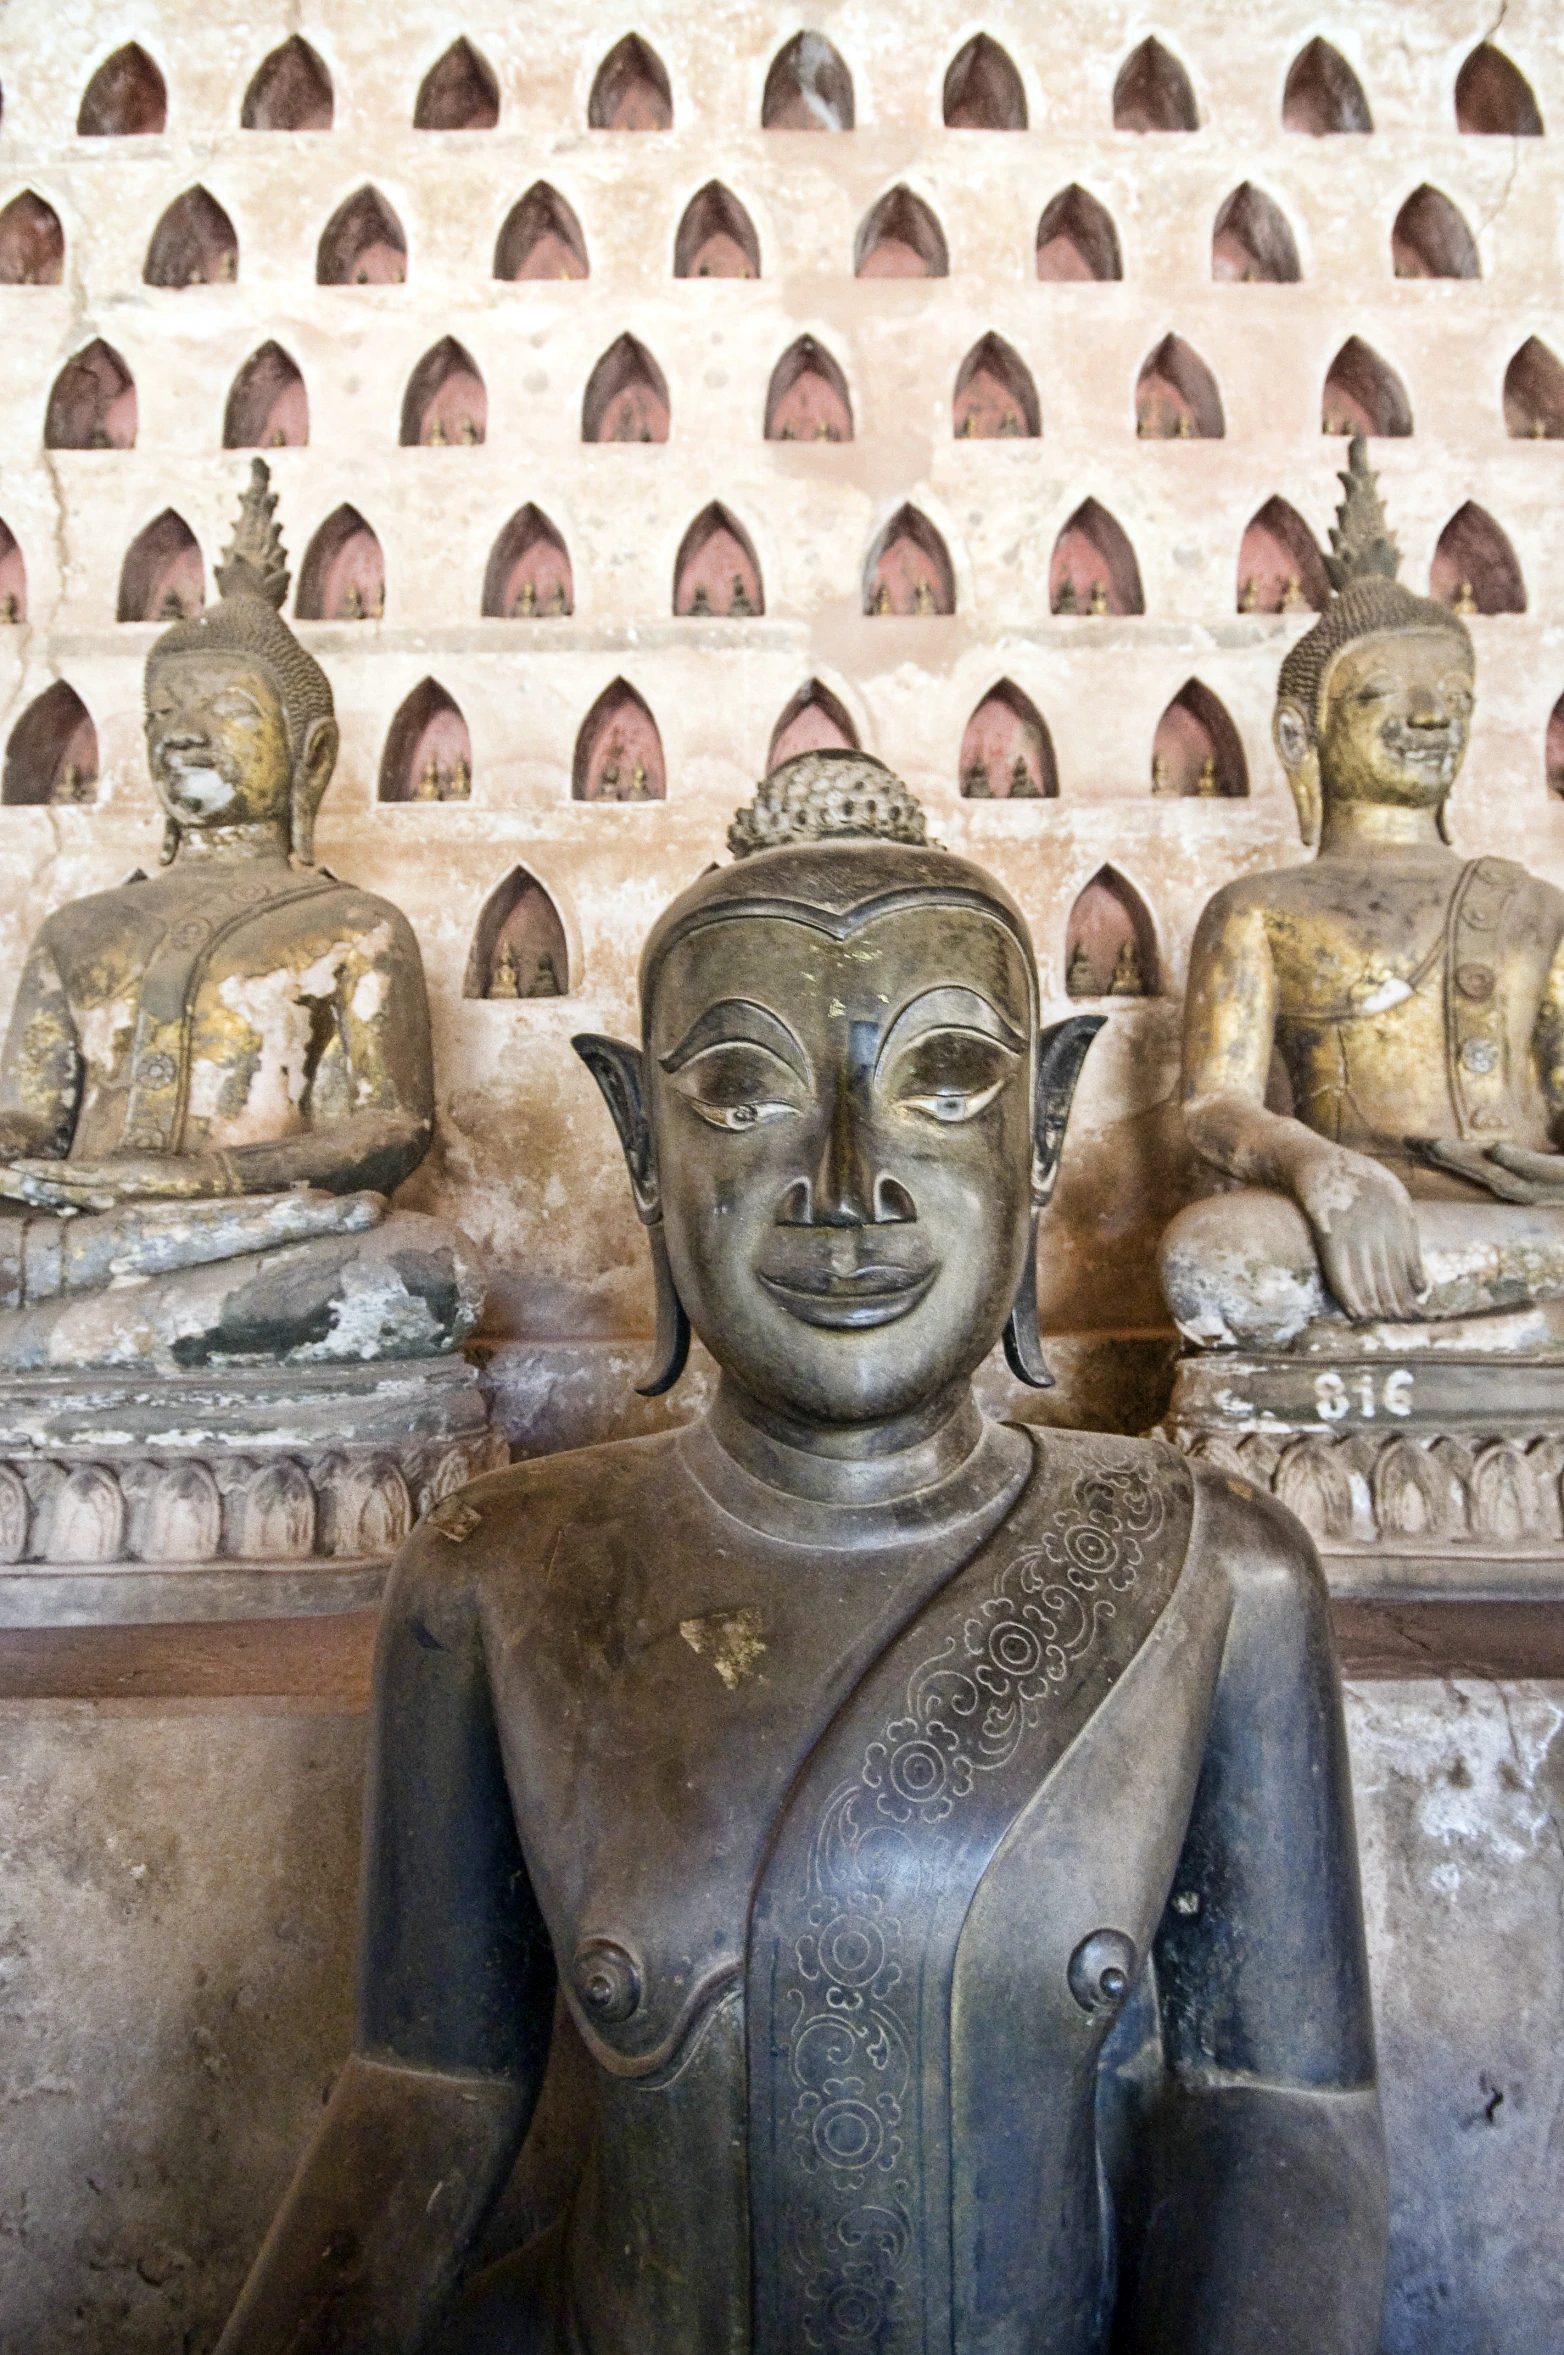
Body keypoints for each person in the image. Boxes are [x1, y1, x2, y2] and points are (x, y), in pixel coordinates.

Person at [219, 754, 1386, 2355]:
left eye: (949, 1076)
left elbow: (1285, 2119)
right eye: (746, 1091)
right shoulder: (499, 1575)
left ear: (1043, 1134)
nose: (849, 1184)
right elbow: (422, 2091)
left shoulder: (1212, 1573)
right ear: (641, 1142)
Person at [0, 460, 481, 1371]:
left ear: (311, 756)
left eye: (225, 711)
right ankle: (105, 1335)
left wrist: (205, 1179)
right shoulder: (81, 930)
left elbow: (390, 1130)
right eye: (164, 715)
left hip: (251, 1232)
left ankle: (63, 1346)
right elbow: (28, 1121)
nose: (185, 734)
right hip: (82, 1238)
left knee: (420, 1275)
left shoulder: (355, 926)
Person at [1162, 439, 1564, 1353]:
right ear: (1302, 734)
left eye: (1453, 696)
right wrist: (1317, 1166)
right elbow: (1211, 1106)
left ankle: (1463, 1325)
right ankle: (1496, 1331)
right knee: (1218, 1260)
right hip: (1348, 1220)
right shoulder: (1259, 907)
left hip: (1520, 1224)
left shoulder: (1534, 906)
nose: (1431, 717)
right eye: (1385, 693)